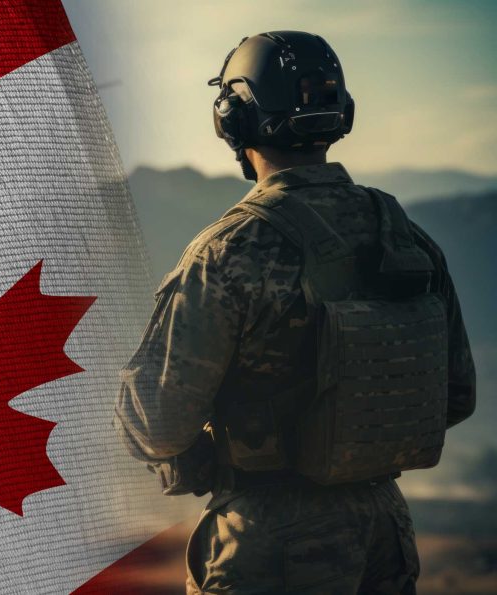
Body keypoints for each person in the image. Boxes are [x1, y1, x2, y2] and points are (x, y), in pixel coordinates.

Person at [115, 31, 475, 594]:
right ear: (340, 115)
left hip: (269, 542)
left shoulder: (231, 251)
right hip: (385, 528)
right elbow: (455, 396)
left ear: (232, 120)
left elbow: (158, 424)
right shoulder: (405, 238)